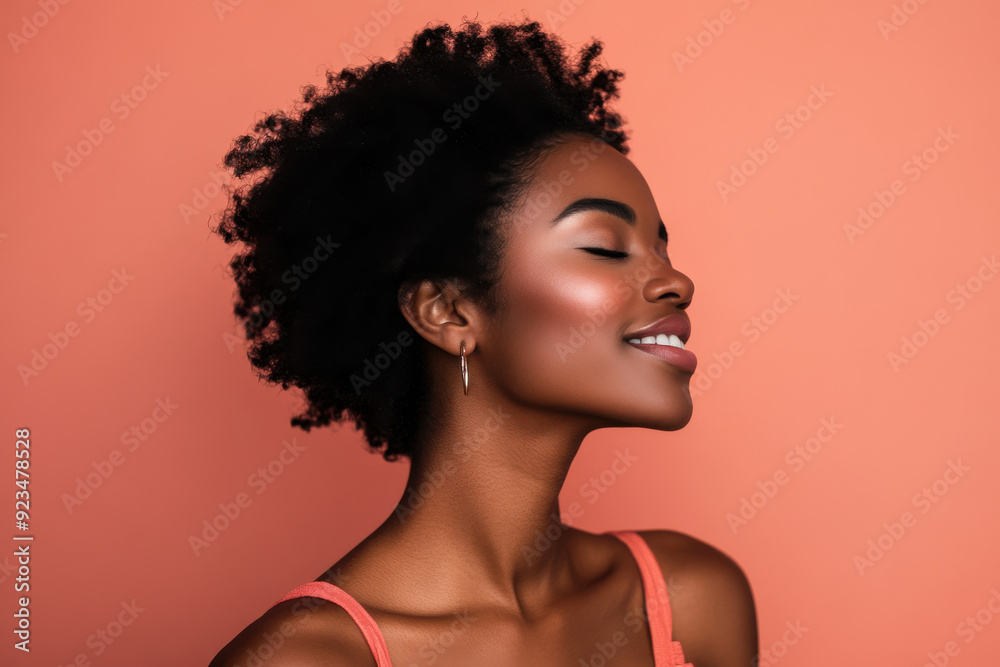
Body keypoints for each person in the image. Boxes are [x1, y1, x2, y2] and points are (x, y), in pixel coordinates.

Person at [208, 17, 758, 667]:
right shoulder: (308, 659)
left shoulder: (690, 598)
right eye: (606, 247)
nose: (676, 281)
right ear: (448, 312)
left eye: (661, 247)